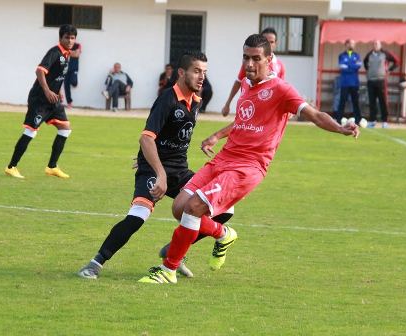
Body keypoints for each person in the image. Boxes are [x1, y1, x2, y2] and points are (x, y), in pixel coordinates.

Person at [137, 34, 359, 284]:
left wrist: (340, 128)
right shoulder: (245, 83)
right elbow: (243, 121)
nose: (250, 64)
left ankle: (169, 270)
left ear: (269, 59)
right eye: (246, 58)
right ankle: (223, 234)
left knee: (194, 209)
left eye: (256, 59)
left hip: (247, 167)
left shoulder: (281, 90)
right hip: (224, 158)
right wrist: (217, 136)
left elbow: (315, 115)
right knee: (179, 207)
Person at [77, 51, 234, 279]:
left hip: (179, 170)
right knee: (138, 216)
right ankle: (94, 264)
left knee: (224, 208)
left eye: (205, 72)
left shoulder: (196, 101)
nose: (202, 77)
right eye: (197, 71)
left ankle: (174, 251)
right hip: (154, 169)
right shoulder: (167, 99)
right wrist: (156, 170)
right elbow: (146, 137)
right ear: (182, 72)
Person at [4, 24, 77, 179]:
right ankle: (11, 167)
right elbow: (40, 71)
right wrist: (47, 91)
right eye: (67, 37)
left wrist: (59, 92)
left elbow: (58, 76)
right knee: (30, 131)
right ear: (61, 38)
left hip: (53, 100)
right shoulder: (55, 52)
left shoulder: (67, 54)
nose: (70, 40)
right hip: (40, 100)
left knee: (65, 129)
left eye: (72, 38)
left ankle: (52, 166)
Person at [221, 27, 285, 117]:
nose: (269, 44)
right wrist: (227, 104)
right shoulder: (249, 63)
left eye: (271, 42)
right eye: (266, 41)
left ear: (276, 44)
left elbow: (281, 90)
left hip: (269, 111)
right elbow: (239, 81)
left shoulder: (280, 66)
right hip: (251, 107)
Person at [363, 40, 399, 128]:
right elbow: (365, 62)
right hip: (371, 81)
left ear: (380, 45)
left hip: (381, 80)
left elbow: (397, 61)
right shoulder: (369, 54)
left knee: (383, 101)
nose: (375, 45)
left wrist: (389, 70)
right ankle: (372, 120)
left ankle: (385, 121)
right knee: (372, 101)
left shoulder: (385, 54)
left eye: (377, 44)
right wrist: (369, 71)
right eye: (374, 44)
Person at [335, 39, 362, 124]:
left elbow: (358, 66)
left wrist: (348, 66)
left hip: (354, 83)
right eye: (350, 43)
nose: (352, 45)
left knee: (355, 102)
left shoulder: (357, 55)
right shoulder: (341, 56)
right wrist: (352, 66)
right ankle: (339, 120)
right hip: (345, 83)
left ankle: (358, 120)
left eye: (353, 44)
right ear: (346, 44)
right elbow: (342, 67)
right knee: (342, 101)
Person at [63, 42, 81, 108]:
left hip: (74, 68)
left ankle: (74, 84)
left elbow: (77, 55)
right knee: (66, 85)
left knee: (74, 82)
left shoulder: (77, 45)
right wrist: (73, 52)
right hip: (65, 69)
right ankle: (69, 102)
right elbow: (62, 54)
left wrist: (68, 52)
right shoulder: (64, 44)